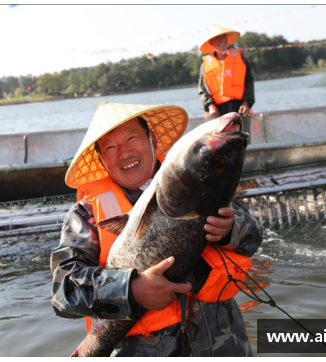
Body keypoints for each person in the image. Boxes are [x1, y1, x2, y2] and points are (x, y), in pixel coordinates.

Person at [50, 102, 262, 356]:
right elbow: (63, 292)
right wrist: (132, 290)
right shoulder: (85, 214)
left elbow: (253, 239)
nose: (124, 153)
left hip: (223, 341)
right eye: (110, 147)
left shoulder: (198, 176)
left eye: (132, 139)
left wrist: (230, 230)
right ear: (101, 159)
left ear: (151, 140)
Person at [198, 24, 255, 128]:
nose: (222, 40)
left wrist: (246, 103)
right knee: (220, 143)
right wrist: (210, 106)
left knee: (242, 140)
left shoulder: (240, 58)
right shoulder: (205, 65)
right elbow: (202, 90)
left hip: (240, 108)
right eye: (218, 38)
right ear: (211, 42)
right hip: (217, 112)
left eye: (224, 36)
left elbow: (249, 82)